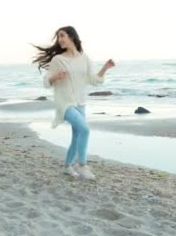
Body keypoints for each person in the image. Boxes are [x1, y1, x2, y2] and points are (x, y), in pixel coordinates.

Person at [33, 26, 115, 180]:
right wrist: (55, 76)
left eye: (62, 35)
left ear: (72, 36)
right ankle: (82, 165)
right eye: (58, 37)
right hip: (64, 102)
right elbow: (46, 81)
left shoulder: (85, 58)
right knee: (85, 130)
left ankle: (67, 166)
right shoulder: (58, 59)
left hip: (80, 103)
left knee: (77, 136)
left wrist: (105, 68)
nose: (60, 39)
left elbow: (94, 80)